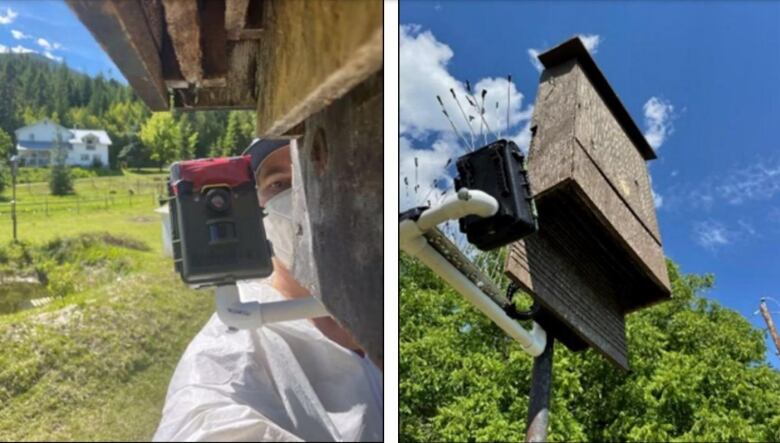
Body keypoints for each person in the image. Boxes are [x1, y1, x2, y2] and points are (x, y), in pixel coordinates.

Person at [153, 139, 383, 442]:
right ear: (252, 206)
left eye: (317, 173)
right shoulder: (237, 341)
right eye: (279, 184)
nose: (302, 197)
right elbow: (204, 421)